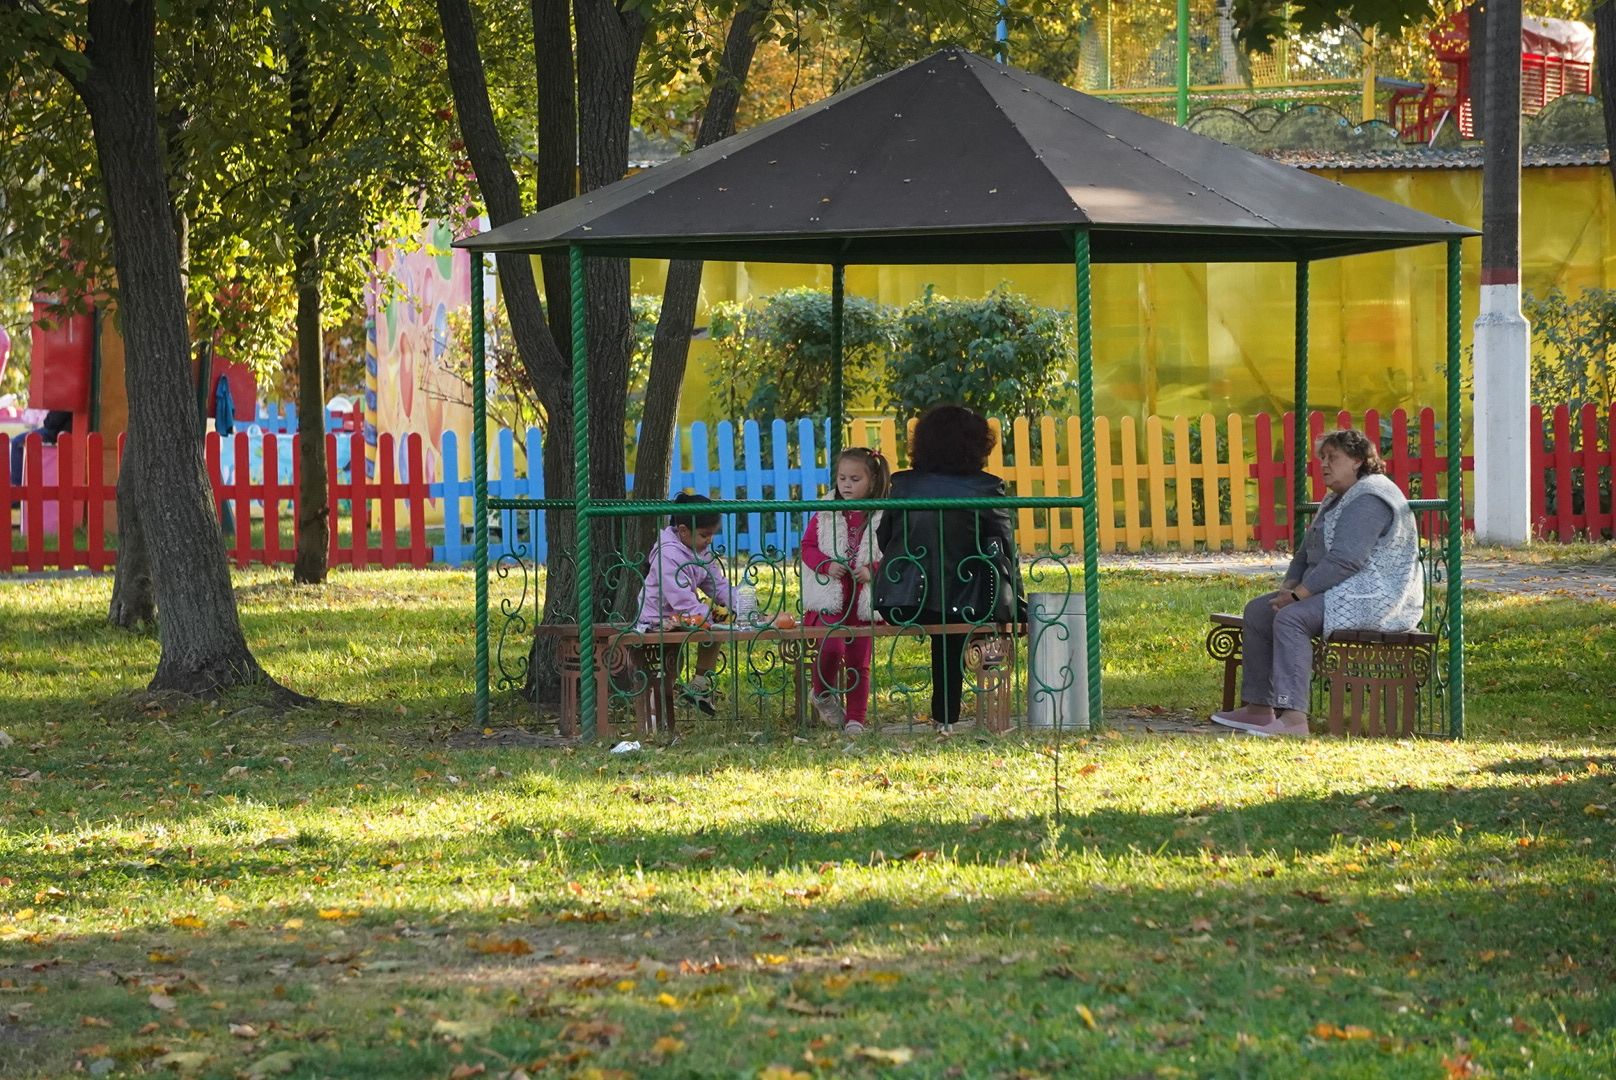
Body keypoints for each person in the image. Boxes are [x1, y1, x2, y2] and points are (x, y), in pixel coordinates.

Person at [1213, 428, 1424, 738]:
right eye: (1322, 458)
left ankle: (1294, 718)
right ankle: (1259, 708)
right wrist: (1289, 586)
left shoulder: (1372, 497)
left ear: (1356, 460)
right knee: (1260, 611)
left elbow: (1346, 560)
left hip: (1373, 596)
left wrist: (1298, 598)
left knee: (1291, 619)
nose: (1324, 465)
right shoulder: (1336, 498)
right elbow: (1306, 551)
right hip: (1340, 590)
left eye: (1333, 458)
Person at [875, 405, 1023, 735]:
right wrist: (1017, 603)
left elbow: (885, 537)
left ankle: (944, 718)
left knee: (944, 612)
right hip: (969, 601)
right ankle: (949, 718)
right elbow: (1004, 547)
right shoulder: (986, 488)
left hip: (903, 601)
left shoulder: (904, 486)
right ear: (976, 445)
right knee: (957, 614)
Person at [800, 447, 889, 736]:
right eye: (842, 478)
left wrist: (873, 569)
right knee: (831, 647)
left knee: (858, 661)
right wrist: (825, 565)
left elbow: (894, 551)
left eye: (855, 479)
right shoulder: (826, 512)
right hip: (832, 597)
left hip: (862, 599)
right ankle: (822, 693)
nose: (847, 485)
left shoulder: (882, 514)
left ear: (872, 482)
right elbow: (808, 547)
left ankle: (856, 719)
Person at [636, 492, 735, 717]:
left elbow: (716, 585)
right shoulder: (668, 555)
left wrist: (739, 604)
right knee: (672, 664)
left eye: (712, 535)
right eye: (704, 535)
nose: (709, 540)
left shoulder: (700, 550)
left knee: (714, 632)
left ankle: (699, 685)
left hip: (685, 615)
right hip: (657, 618)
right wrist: (709, 615)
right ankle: (656, 712)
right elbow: (681, 600)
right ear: (683, 531)